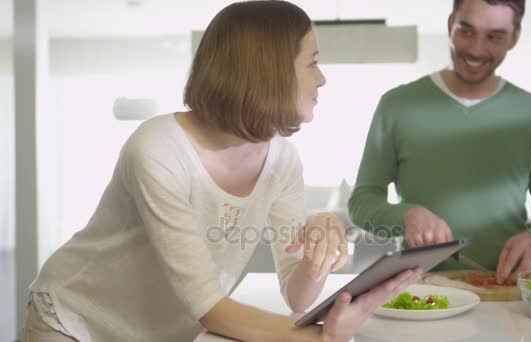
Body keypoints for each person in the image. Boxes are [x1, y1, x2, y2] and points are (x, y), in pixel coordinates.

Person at [23, 1, 422, 341]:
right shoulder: (158, 149)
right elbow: (210, 308)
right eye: (312, 62)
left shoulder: (283, 160)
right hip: (77, 323)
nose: (322, 77)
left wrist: (318, 250)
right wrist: (318, 335)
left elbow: (298, 296)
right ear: (269, 70)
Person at [348, 0, 531, 285]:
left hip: (506, 292)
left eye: (495, 36)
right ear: (450, 24)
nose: (476, 49)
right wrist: (405, 216)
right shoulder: (396, 106)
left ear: (514, 37)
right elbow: (362, 203)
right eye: (466, 31)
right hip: (419, 290)